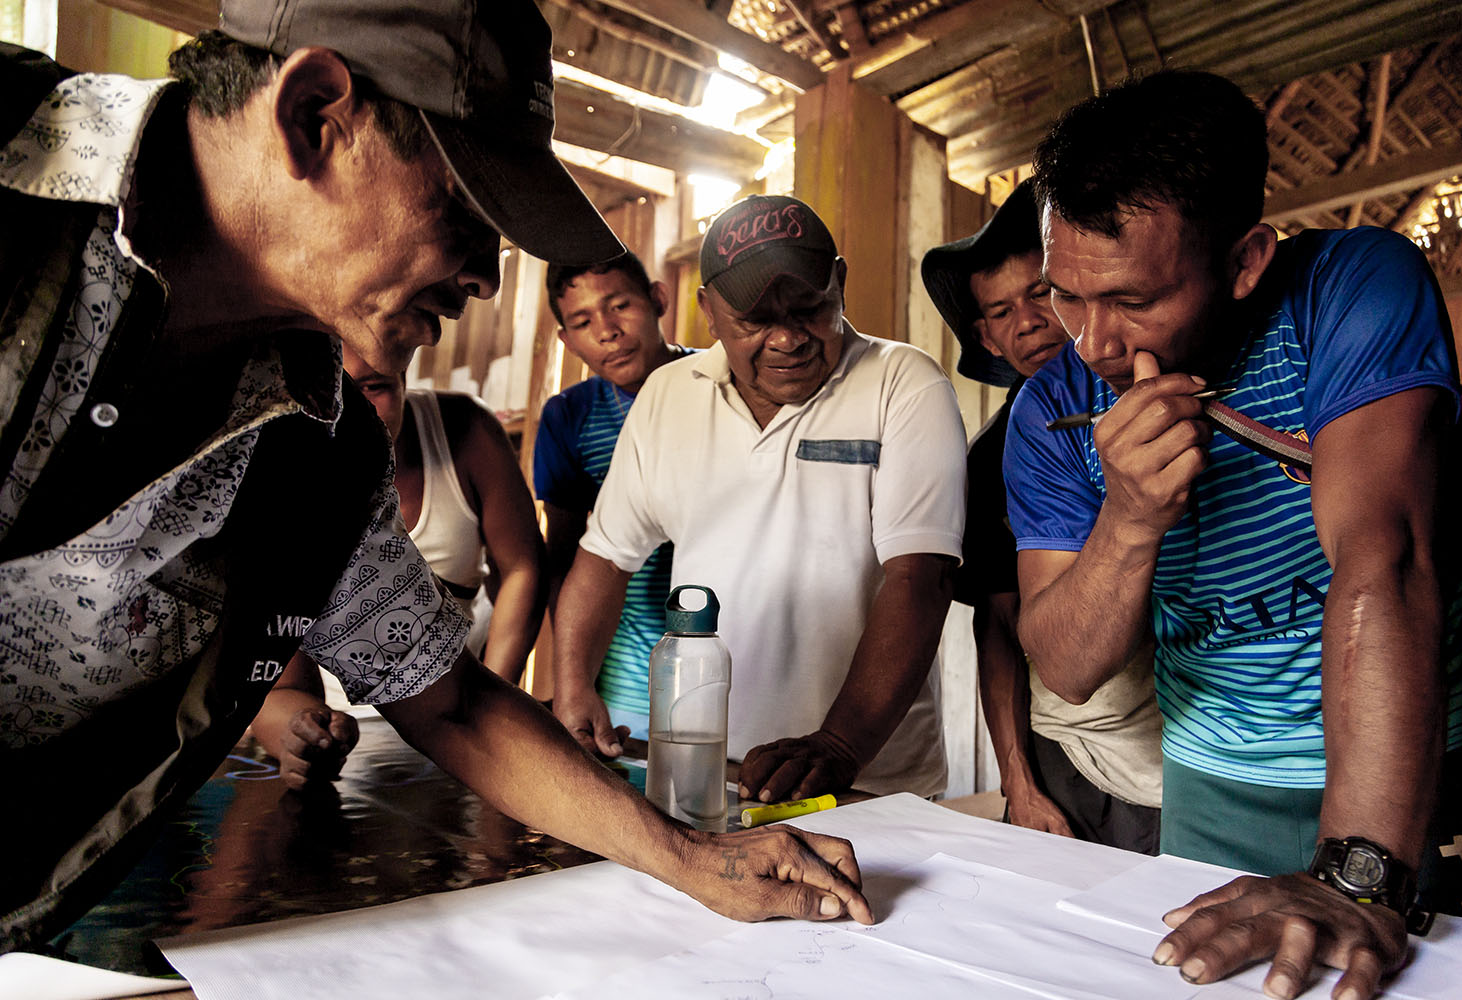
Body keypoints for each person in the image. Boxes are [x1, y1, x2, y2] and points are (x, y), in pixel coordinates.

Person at [0, 0, 871, 953]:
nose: (487, 279)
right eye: (463, 209)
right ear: (317, 114)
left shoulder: (315, 449)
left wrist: (692, 859)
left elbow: (448, 701)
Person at [1003, 69, 1462, 1000]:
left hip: (1429, 769)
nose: (1093, 343)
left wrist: (1362, 873)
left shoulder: (1348, 290)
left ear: (1244, 261)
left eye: (1137, 301)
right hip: (1217, 791)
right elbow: (1065, 666)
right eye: (1067, 296)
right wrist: (1130, 520)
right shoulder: (1050, 415)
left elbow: (1386, 559)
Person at [552, 194, 968, 803]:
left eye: (809, 309)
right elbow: (604, 558)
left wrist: (838, 746)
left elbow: (920, 579)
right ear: (707, 312)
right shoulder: (669, 396)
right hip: (704, 768)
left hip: (866, 781)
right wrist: (572, 685)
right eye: (753, 321)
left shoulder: (901, 382)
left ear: (840, 283)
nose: (787, 339)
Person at [921, 178, 1162, 853]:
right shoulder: (990, 459)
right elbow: (998, 626)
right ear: (986, 340)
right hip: (1078, 747)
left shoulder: (1166, 404)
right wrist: (1018, 784)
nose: (1026, 320)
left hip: (1199, 740)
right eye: (999, 312)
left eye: (1038, 294)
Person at [249, 348, 547, 789]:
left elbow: (523, 566)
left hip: (461, 697)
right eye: (329, 390)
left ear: (406, 372)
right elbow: (277, 686)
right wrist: (303, 733)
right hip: (347, 732)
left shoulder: (463, 429)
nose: (350, 410)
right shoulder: (275, 475)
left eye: (373, 387)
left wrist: (487, 714)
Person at [537, 251, 688, 747]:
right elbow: (562, 561)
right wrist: (572, 683)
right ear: (566, 341)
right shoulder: (569, 418)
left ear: (658, 299)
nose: (607, 331)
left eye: (620, 305)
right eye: (582, 321)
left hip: (727, 671)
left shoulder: (720, 386)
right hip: (623, 687)